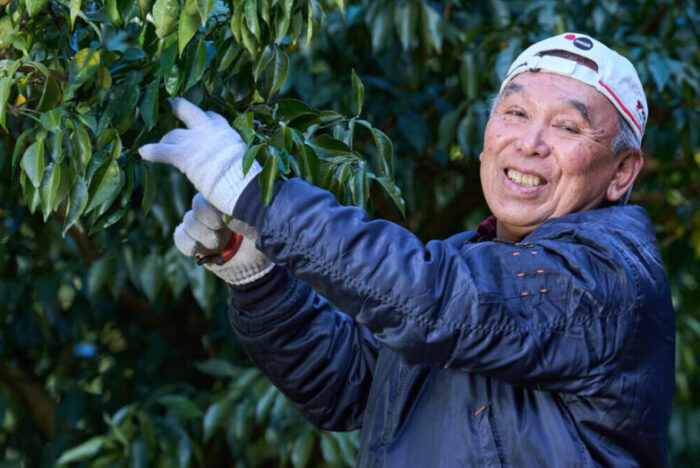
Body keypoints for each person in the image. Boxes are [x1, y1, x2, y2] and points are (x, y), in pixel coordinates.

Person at [140, 33, 674, 467]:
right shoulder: (472, 260)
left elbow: (435, 301)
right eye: (514, 113)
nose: (529, 141)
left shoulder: (608, 276)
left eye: (566, 126)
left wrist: (257, 193)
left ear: (621, 172)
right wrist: (255, 274)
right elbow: (345, 385)